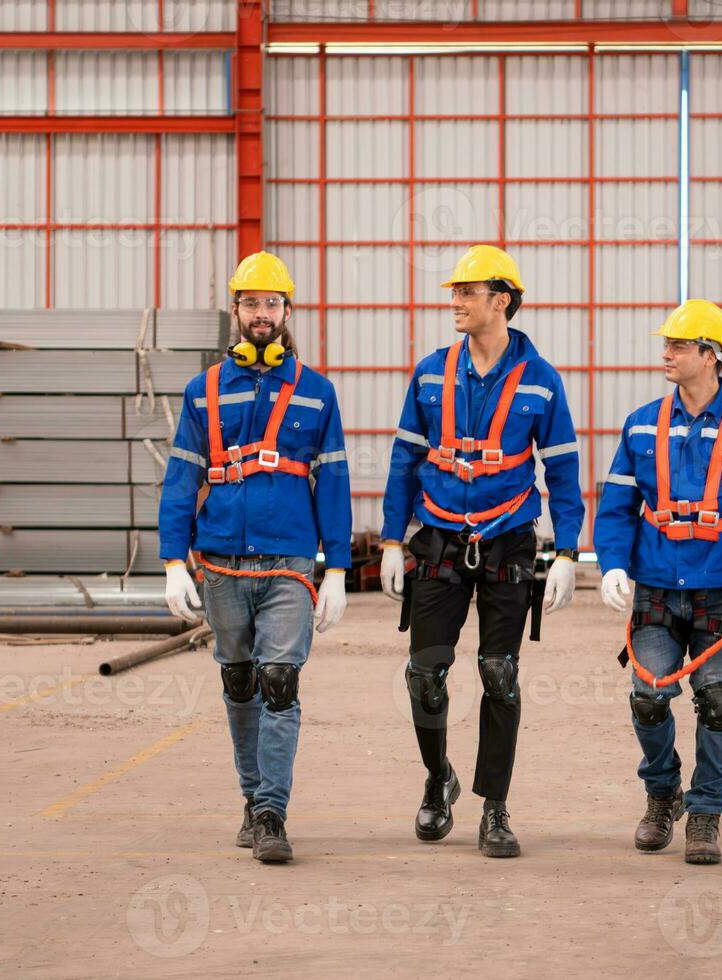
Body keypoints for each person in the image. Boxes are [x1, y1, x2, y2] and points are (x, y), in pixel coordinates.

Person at [378, 244, 584, 858]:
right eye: (455, 292)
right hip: (438, 540)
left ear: (503, 300)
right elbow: (404, 461)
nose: (456, 302)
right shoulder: (429, 373)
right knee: (425, 676)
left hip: (509, 544)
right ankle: (439, 780)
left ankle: (494, 807)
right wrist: (393, 539)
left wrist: (569, 551)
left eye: (468, 292)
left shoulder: (542, 383)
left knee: (500, 674)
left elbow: (565, 473)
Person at [158, 251, 352, 864]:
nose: (262, 313)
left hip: (289, 565)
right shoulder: (204, 392)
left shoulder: (317, 394)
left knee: (279, 681)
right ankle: (251, 799)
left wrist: (340, 569)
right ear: (236, 312)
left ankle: (272, 813)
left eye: (272, 303)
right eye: (251, 303)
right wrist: (170, 562)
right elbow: (181, 481)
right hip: (220, 564)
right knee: (239, 681)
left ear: (287, 310)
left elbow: (336, 484)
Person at [594, 299, 722, 865]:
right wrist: (611, 563)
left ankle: (705, 812)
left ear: (711, 355)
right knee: (649, 697)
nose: (667, 354)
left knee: (718, 700)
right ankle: (662, 796)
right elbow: (616, 507)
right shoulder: (639, 425)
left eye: (678, 346)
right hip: (656, 586)